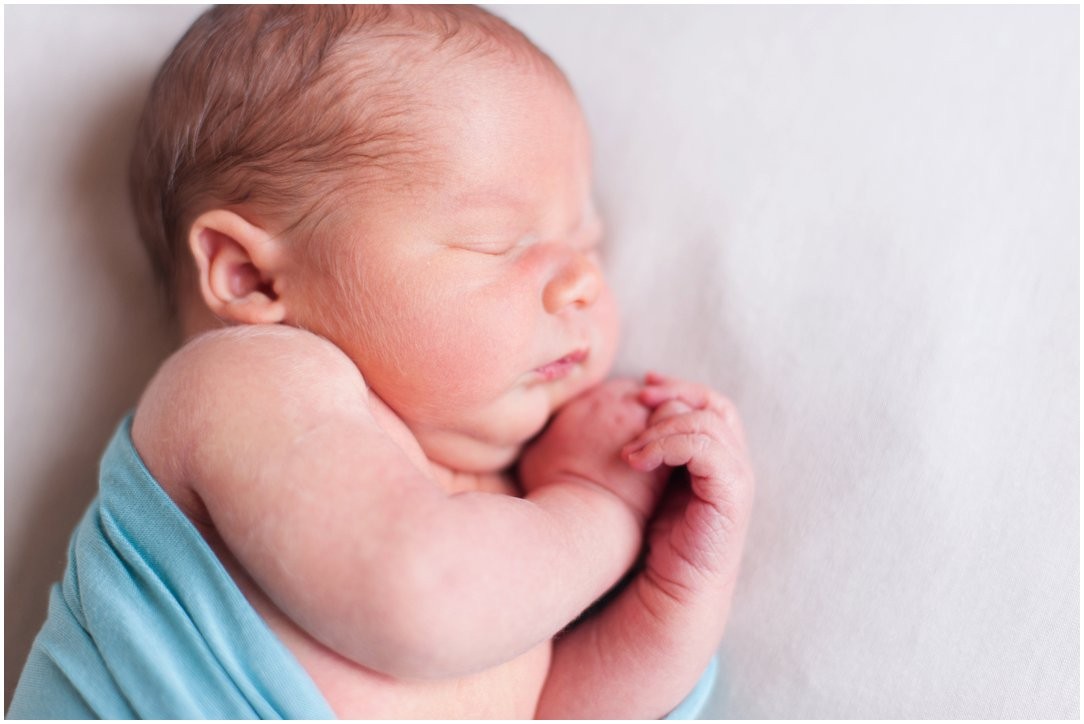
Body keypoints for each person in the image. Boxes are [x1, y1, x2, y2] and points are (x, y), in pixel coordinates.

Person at [9, 5, 754, 719]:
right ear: (253, 279)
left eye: (586, 244)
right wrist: (603, 507)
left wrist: (676, 594)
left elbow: (551, 709)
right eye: (499, 242)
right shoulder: (247, 382)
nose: (584, 282)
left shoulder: (519, 517)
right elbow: (427, 596)